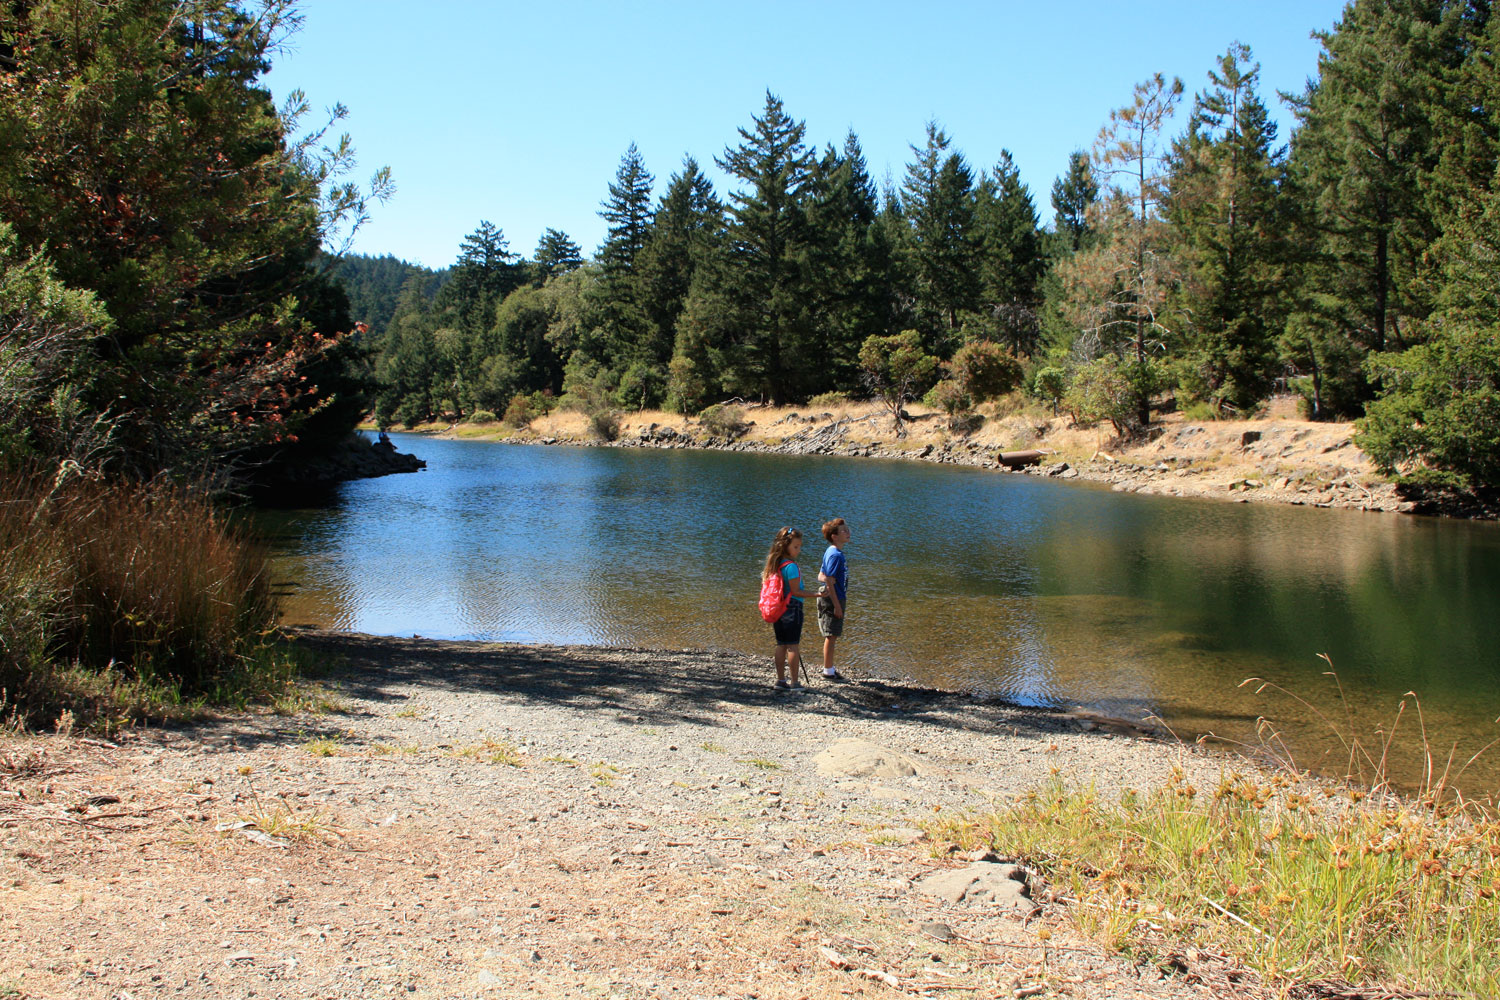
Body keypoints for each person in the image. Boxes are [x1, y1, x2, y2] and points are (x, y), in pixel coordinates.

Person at [762, 527, 820, 690]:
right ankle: (795, 682)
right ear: (785, 546)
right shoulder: (791, 567)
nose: (799, 550)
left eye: (800, 546)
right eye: (796, 546)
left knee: (781, 644)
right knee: (793, 645)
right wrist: (817, 595)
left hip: (778, 609)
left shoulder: (774, 564)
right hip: (792, 608)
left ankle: (781, 681)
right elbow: (796, 591)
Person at [817, 518, 851, 680]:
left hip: (835, 596)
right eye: (843, 531)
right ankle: (828, 671)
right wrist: (837, 606)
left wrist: (826, 580)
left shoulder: (832, 552)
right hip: (834, 598)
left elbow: (821, 575)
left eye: (847, 529)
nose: (848, 533)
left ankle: (829, 667)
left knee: (832, 634)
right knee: (831, 635)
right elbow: (828, 579)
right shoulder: (835, 555)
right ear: (834, 536)